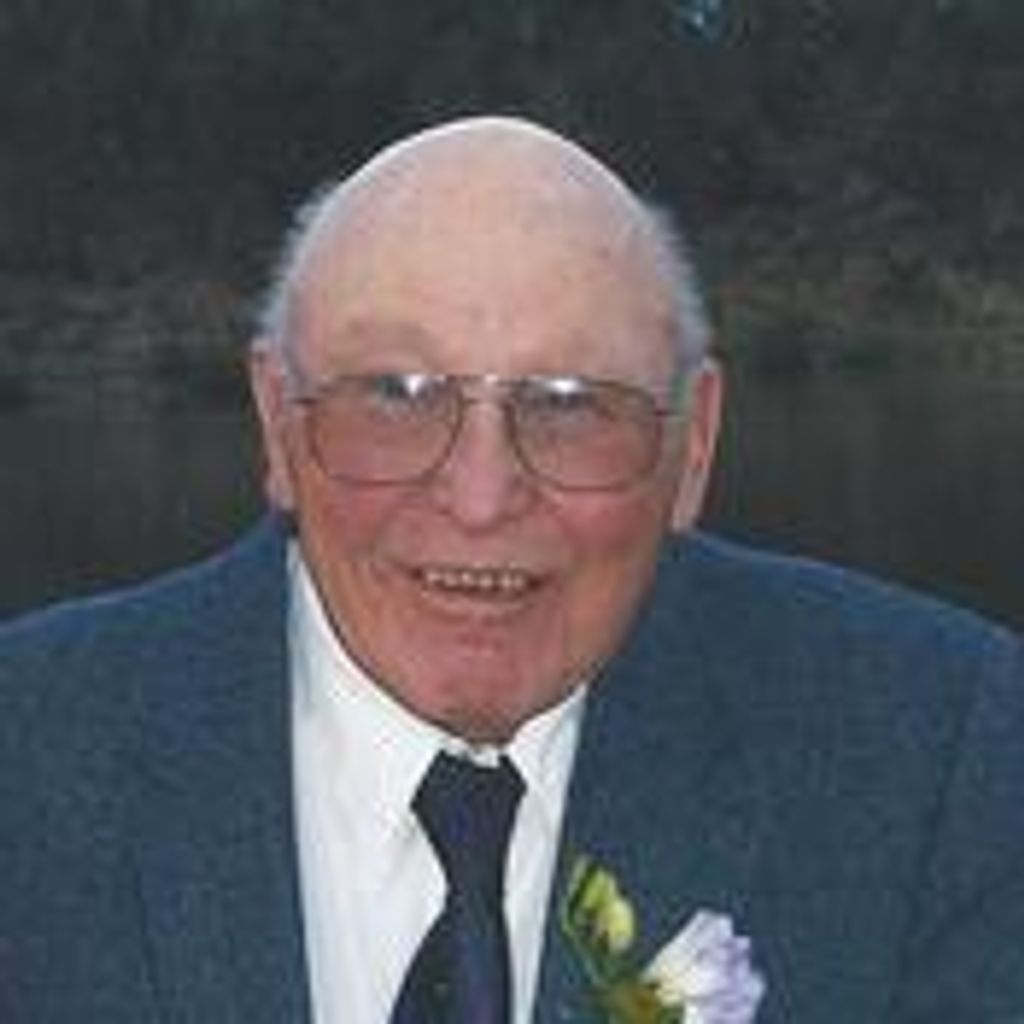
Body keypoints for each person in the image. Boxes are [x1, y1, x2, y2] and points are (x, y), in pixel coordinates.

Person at [1, 116, 1023, 1024]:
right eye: (397, 394)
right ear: (277, 423)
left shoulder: (942, 753)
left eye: (569, 403)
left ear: (695, 446)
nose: (481, 496)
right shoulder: (29, 756)